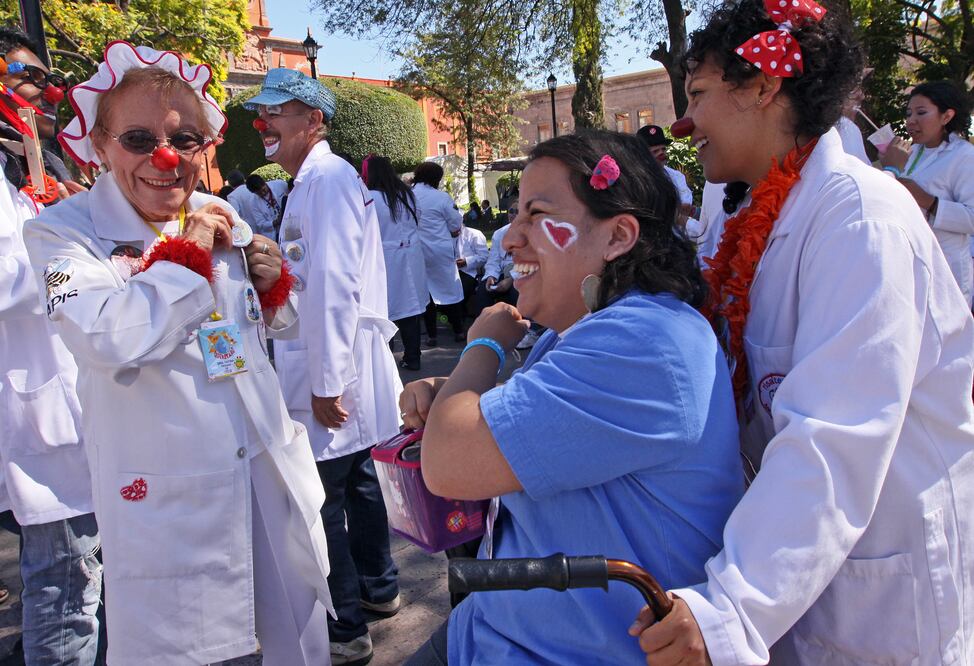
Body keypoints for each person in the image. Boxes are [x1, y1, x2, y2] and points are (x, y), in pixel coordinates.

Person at [632, 2, 974, 663]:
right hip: (806, 571)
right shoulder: (771, 215)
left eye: (698, 94)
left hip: (881, 592)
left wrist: (734, 608)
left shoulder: (860, 222)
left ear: (762, 85)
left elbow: (832, 436)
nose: (685, 122)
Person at [26, 43, 333, 665]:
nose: (164, 158)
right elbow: (107, 336)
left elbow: (253, 332)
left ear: (205, 147)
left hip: (264, 469)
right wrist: (189, 254)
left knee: (292, 645)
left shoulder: (219, 215)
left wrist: (269, 286)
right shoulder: (59, 234)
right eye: (138, 138)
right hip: (168, 497)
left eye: (184, 138)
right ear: (102, 144)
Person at [401, 130, 743, 665]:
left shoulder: (644, 343)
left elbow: (449, 464)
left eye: (536, 214)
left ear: (617, 236)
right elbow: (548, 420)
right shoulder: (586, 331)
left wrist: (483, 346)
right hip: (492, 631)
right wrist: (454, 397)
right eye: (516, 214)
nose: (511, 237)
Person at [246, 68, 402, 666]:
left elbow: (336, 286)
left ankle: (346, 628)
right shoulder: (312, 182)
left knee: (324, 498)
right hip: (332, 357)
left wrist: (326, 383)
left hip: (332, 363)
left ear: (313, 120)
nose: (262, 124)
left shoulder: (328, 180)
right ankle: (380, 589)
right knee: (357, 482)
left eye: (276, 111)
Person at [0, 105, 101, 666]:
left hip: (71, 401)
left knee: (81, 577)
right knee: (67, 583)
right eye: (26, 79)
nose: (42, 98)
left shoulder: (24, 173)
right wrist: (72, 257)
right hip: (44, 415)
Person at [879, 80, 974, 307]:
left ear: (946, 116)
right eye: (909, 113)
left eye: (921, 112)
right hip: (909, 260)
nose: (911, 120)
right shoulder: (912, 153)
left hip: (946, 264)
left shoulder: (965, 157)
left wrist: (927, 200)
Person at [364, 154, 429, 372]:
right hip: (410, 256)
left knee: (385, 310)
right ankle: (413, 357)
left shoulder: (369, 197)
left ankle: (385, 361)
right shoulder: (406, 194)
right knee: (409, 310)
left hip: (385, 260)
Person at [412, 161, 465, 345]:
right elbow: (455, 223)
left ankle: (432, 335)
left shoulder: (408, 195)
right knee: (451, 289)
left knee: (425, 293)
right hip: (440, 251)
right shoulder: (441, 197)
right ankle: (458, 330)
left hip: (417, 251)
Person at [636, 124, 696, 219]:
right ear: (643, 155)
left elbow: (685, 206)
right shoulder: (636, 179)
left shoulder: (677, 176)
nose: (661, 153)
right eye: (655, 151)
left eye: (663, 149)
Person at [229, 173, 288, 239]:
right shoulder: (253, 202)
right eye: (259, 193)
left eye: (264, 190)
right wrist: (275, 222)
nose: (263, 193)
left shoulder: (280, 185)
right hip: (276, 233)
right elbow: (260, 223)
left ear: (264, 183)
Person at [454, 222, 488, 316]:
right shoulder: (443, 235)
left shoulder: (474, 234)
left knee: (459, 291)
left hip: (471, 273)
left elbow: (484, 257)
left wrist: (466, 261)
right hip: (451, 271)